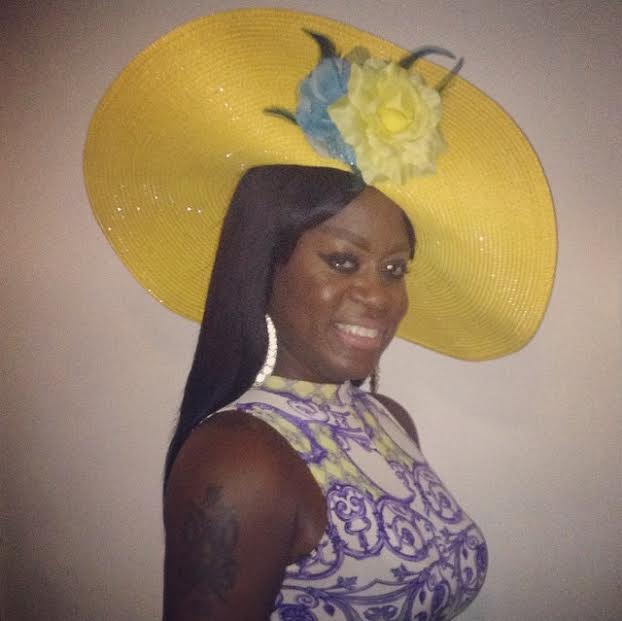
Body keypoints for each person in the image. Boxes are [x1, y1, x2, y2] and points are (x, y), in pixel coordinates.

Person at [83, 9, 556, 621]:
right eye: (342, 261)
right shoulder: (240, 460)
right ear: (265, 265)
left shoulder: (389, 419)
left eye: (394, 268)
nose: (379, 296)